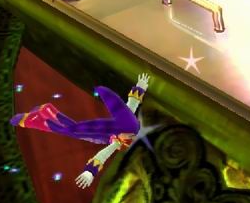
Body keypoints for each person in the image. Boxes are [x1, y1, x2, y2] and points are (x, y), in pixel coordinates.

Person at [9, 73, 151, 188]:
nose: (129, 137)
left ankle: (44, 113)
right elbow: (128, 109)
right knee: (70, 129)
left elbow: (104, 154)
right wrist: (139, 89)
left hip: (100, 133)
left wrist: (90, 171)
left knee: (71, 129)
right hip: (101, 130)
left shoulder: (121, 139)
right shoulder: (129, 129)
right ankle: (40, 116)